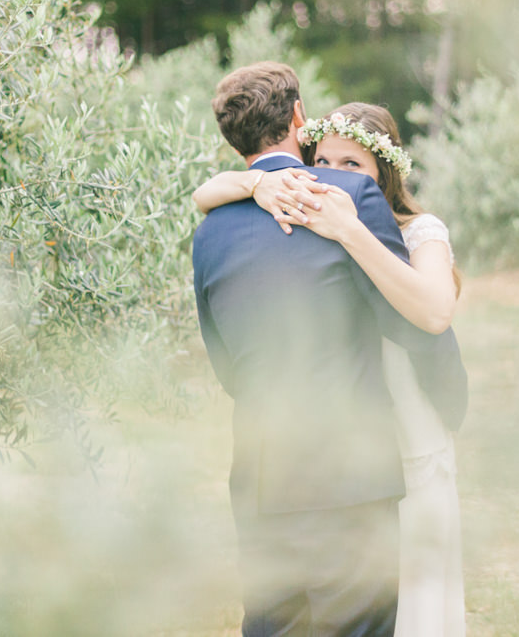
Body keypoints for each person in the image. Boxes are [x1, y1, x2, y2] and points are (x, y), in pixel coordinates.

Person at [191, 62, 467, 637]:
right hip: (351, 476)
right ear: (298, 118)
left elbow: (226, 365)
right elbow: (416, 324)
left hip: (262, 475)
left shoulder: (210, 228)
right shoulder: (347, 198)